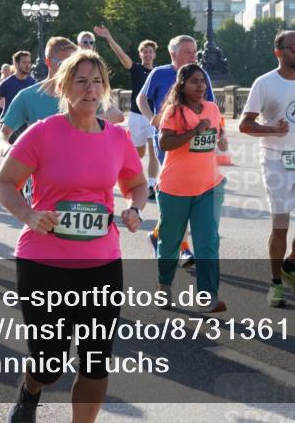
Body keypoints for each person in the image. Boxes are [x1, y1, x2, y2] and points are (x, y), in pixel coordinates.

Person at [0, 50, 147, 423]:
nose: (90, 89)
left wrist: (133, 208)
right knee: (49, 363)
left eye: (97, 82)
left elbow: (138, 183)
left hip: (102, 263)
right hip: (43, 263)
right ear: (63, 87)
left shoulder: (117, 138)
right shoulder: (43, 133)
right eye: (81, 81)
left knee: (96, 360)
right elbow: (5, 183)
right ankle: (31, 390)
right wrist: (29, 214)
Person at [239, 30, 295, 308]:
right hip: (277, 160)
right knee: (281, 226)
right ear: (279, 52)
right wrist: (272, 130)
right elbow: (245, 124)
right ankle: (275, 283)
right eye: (294, 48)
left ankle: (291, 266)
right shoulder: (264, 84)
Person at [136, 35, 215, 263]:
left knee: (189, 193)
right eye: (187, 51)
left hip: (195, 139)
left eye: (194, 50)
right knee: (180, 192)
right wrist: (152, 118)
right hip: (169, 140)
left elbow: (210, 105)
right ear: (173, 54)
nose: (193, 54)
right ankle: (182, 247)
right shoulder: (159, 73)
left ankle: (158, 234)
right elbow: (142, 99)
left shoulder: (201, 75)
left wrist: (217, 135)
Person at [156, 63, 227, 312]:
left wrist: (219, 137)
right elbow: (165, 143)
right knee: (170, 242)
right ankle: (164, 285)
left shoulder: (212, 108)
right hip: (174, 188)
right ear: (182, 85)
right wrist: (193, 132)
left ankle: (208, 296)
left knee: (207, 241)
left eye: (203, 81)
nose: (200, 86)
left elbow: (217, 136)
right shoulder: (174, 112)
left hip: (208, 186)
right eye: (195, 81)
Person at [94, 30, 159, 192]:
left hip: (152, 117)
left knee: (153, 148)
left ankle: (151, 184)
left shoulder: (158, 73)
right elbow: (121, 54)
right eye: (145, 51)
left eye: (150, 51)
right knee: (138, 153)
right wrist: (109, 37)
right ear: (140, 54)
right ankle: (126, 177)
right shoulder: (136, 69)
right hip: (136, 117)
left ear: (154, 55)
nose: (148, 54)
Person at [0, 37, 77, 155]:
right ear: (48, 62)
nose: (69, 70)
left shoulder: (85, 95)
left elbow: (111, 117)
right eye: (62, 64)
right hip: (39, 171)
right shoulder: (28, 96)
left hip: (77, 171)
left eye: (73, 65)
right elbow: (2, 134)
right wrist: (7, 149)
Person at [0, 51, 35, 127]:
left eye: (29, 62)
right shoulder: (7, 83)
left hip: (27, 125)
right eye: (24, 62)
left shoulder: (33, 83)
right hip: (8, 124)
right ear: (16, 64)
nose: (28, 65)